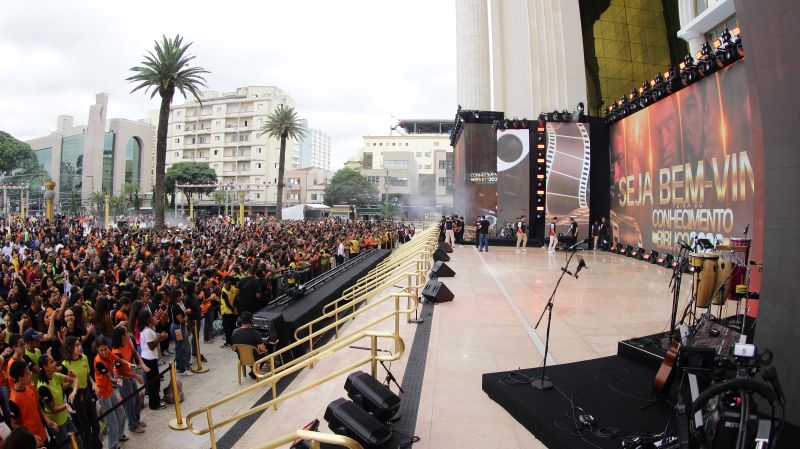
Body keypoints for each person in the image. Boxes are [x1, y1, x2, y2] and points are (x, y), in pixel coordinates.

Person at [61, 335, 101, 449]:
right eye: (77, 345)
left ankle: (95, 445)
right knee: (86, 428)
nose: (80, 347)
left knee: (96, 425)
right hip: (76, 397)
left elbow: (88, 375)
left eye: (80, 344)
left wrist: (93, 384)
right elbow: (64, 385)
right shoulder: (65, 364)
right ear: (70, 347)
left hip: (87, 393)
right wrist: (70, 380)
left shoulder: (84, 358)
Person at [37, 354, 81, 448]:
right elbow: (53, 409)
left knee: (79, 442)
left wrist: (73, 392)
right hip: (57, 424)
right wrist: (65, 406)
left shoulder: (55, 375)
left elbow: (74, 379)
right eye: (51, 362)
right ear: (45, 367)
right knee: (67, 447)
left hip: (65, 418)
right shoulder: (42, 387)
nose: (55, 363)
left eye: (54, 360)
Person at [8, 360, 55, 447]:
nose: (30, 375)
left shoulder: (30, 386)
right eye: (27, 373)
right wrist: (29, 435)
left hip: (42, 433)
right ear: (20, 378)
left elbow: (38, 406)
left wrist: (48, 421)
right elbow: (14, 424)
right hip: (31, 441)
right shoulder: (13, 400)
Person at [93, 336, 128, 449]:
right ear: (97, 350)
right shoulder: (98, 361)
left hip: (110, 389)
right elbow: (109, 377)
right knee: (112, 422)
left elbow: (117, 359)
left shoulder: (108, 353)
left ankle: (119, 435)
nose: (104, 352)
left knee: (121, 413)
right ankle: (113, 446)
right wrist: (117, 380)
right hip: (102, 392)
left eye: (105, 349)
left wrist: (127, 363)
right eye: (101, 350)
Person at [111, 326, 146, 434]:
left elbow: (134, 352)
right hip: (122, 378)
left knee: (137, 398)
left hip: (130, 374)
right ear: (122, 336)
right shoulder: (116, 352)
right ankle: (132, 425)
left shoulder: (127, 343)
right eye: (126, 331)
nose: (128, 333)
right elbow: (120, 372)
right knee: (130, 402)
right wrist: (135, 376)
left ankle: (136, 420)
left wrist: (141, 362)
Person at [137, 309, 168, 410]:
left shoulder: (146, 329)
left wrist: (160, 337)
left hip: (149, 357)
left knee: (155, 381)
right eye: (150, 316)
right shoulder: (147, 331)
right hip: (149, 358)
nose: (152, 317)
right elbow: (151, 346)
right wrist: (159, 338)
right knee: (154, 383)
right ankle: (154, 404)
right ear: (146, 319)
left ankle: (156, 400)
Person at [230, 311, 267, 380]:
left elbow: (234, 348)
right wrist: (259, 346)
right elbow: (263, 349)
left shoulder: (234, 332)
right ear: (251, 321)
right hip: (255, 358)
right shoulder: (255, 333)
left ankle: (252, 369)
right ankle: (254, 372)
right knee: (265, 353)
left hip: (241, 357)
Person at [220, 276, 238, 349]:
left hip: (227, 312)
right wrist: (235, 308)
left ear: (227, 283)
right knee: (233, 327)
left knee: (227, 329)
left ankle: (228, 343)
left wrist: (233, 309)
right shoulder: (233, 288)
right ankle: (234, 341)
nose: (224, 284)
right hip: (233, 311)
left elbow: (227, 303)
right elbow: (236, 299)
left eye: (224, 283)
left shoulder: (224, 291)